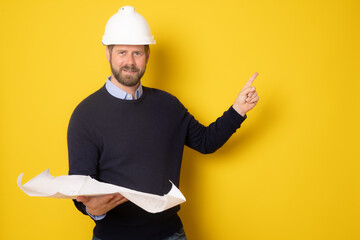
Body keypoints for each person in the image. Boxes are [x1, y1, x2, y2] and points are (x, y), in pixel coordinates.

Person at [67, 6, 259, 240]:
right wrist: (91, 211)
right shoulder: (85, 114)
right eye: (122, 52)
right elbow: (79, 185)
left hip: (170, 234)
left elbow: (206, 142)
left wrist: (237, 110)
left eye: (137, 53)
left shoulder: (168, 105)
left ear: (147, 56)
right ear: (108, 54)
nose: (130, 61)